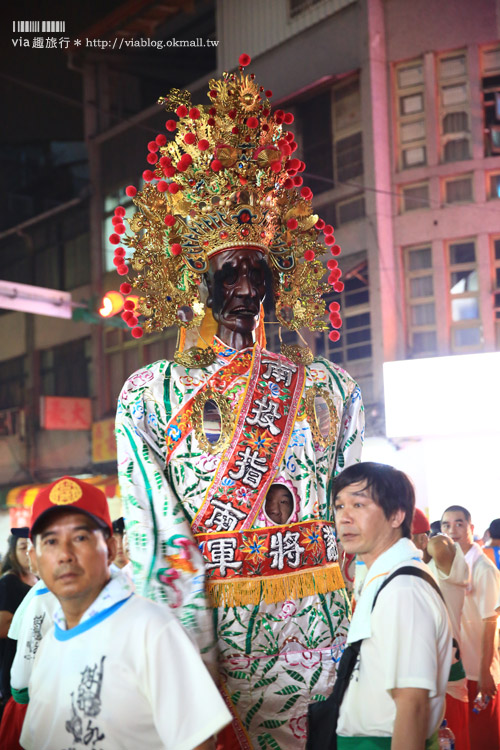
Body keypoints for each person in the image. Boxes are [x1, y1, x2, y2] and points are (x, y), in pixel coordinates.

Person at [115, 54, 364, 748]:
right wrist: (184, 653)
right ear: (200, 282)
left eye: (261, 272)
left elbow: (355, 517)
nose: (248, 288)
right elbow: (156, 534)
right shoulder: (151, 395)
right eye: (231, 272)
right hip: (220, 635)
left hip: (325, 625)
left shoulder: (329, 387)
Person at [20, 476, 231, 750]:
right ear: (33, 558)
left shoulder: (152, 630)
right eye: (50, 541)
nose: (65, 555)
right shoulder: (49, 644)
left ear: (109, 549)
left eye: (80, 537)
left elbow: (197, 743)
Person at [332, 463, 451, 749]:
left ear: (397, 515)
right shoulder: (387, 577)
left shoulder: (403, 590)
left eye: (358, 504)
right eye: (338, 506)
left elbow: (412, 704)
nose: (344, 518)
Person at [441, 505, 500, 749]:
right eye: (446, 525)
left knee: (484, 737)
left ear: (471, 528)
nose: (452, 530)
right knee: (463, 738)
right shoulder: (448, 564)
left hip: (479, 669)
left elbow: (490, 623)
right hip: (457, 669)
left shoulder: (484, 568)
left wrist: (486, 671)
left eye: (459, 524)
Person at [412, 508, 470, 750]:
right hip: (415, 682)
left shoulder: (444, 563)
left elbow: (440, 543)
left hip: (447, 681)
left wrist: (426, 542)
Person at [0, 528, 36, 717]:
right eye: (23, 547)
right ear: (13, 551)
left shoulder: (36, 579)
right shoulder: (9, 581)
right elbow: (3, 626)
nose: (28, 552)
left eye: (31, 545)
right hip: (13, 654)